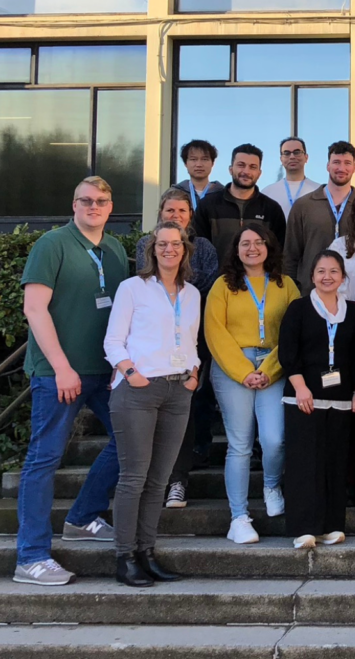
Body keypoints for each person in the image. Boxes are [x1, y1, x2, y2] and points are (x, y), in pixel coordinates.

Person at [14, 177, 129, 586]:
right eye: (86, 201)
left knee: (128, 439)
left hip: (103, 370)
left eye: (101, 201)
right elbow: (35, 308)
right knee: (44, 460)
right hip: (58, 374)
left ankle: (82, 516)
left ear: (111, 207)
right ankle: (30, 556)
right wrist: (61, 366)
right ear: (74, 204)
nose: (93, 207)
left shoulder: (114, 248)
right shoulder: (52, 244)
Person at [103, 221, 200, 586]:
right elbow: (113, 341)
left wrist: (195, 373)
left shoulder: (192, 294)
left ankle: (147, 552)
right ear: (152, 249)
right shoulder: (133, 288)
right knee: (134, 478)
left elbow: (189, 340)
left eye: (175, 244)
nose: (169, 249)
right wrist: (130, 373)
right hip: (138, 391)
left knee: (159, 480)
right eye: (162, 244)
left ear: (184, 249)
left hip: (178, 392)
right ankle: (124, 556)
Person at [205, 222, 300, 544]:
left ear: (269, 246)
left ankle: (272, 485)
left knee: (274, 439)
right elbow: (215, 332)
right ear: (236, 249)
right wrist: (243, 370)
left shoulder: (286, 285)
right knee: (240, 444)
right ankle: (239, 516)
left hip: (275, 366)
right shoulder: (223, 285)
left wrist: (269, 369)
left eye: (259, 242)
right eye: (245, 243)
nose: (252, 248)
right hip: (234, 369)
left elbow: (293, 331)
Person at [134, 188, 218, 510]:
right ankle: (154, 479)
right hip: (152, 343)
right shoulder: (145, 244)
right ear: (161, 212)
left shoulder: (205, 248)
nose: (176, 216)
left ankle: (178, 482)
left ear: (190, 215)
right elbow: (143, 285)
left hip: (191, 339)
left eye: (182, 211)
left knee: (186, 407)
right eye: (170, 210)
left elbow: (206, 285)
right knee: (152, 411)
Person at [278, 249, 355, 549]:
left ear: (343, 277)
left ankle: (331, 525)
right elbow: (288, 353)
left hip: (341, 398)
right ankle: (304, 528)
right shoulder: (298, 309)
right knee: (305, 463)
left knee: (335, 462)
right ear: (312, 276)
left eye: (333, 271)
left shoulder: (354, 313)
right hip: (304, 397)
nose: (327, 277)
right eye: (321, 271)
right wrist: (301, 388)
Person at [193, 144, 287, 265]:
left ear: (259, 173)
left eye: (253, 167)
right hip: (217, 282)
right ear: (231, 169)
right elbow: (198, 250)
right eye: (241, 165)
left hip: (259, 282)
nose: (246, 171)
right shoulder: (208, 205)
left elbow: (278, 253)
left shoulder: (271, 209)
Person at [284, 141, 355, 294]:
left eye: (347, 163)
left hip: (353, 295)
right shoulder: (304, 205)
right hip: (310, 294)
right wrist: (292, 291)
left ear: (354, 167)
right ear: (327, 166)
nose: (341, 168)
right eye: (336, 162)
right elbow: (290, 256)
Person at [261, 137, 317, 221]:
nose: (292, 157)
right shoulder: (267, 193)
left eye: (297, 152)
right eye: (286, 153)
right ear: (281, 159)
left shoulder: (318, 191)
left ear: (306, 157)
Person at [174, 139, 223, 212]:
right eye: (193, 159)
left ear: (212, 163)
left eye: (204, 159)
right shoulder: (174, 193)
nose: (199, 164)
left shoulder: (223, 194)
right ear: (185, 163)